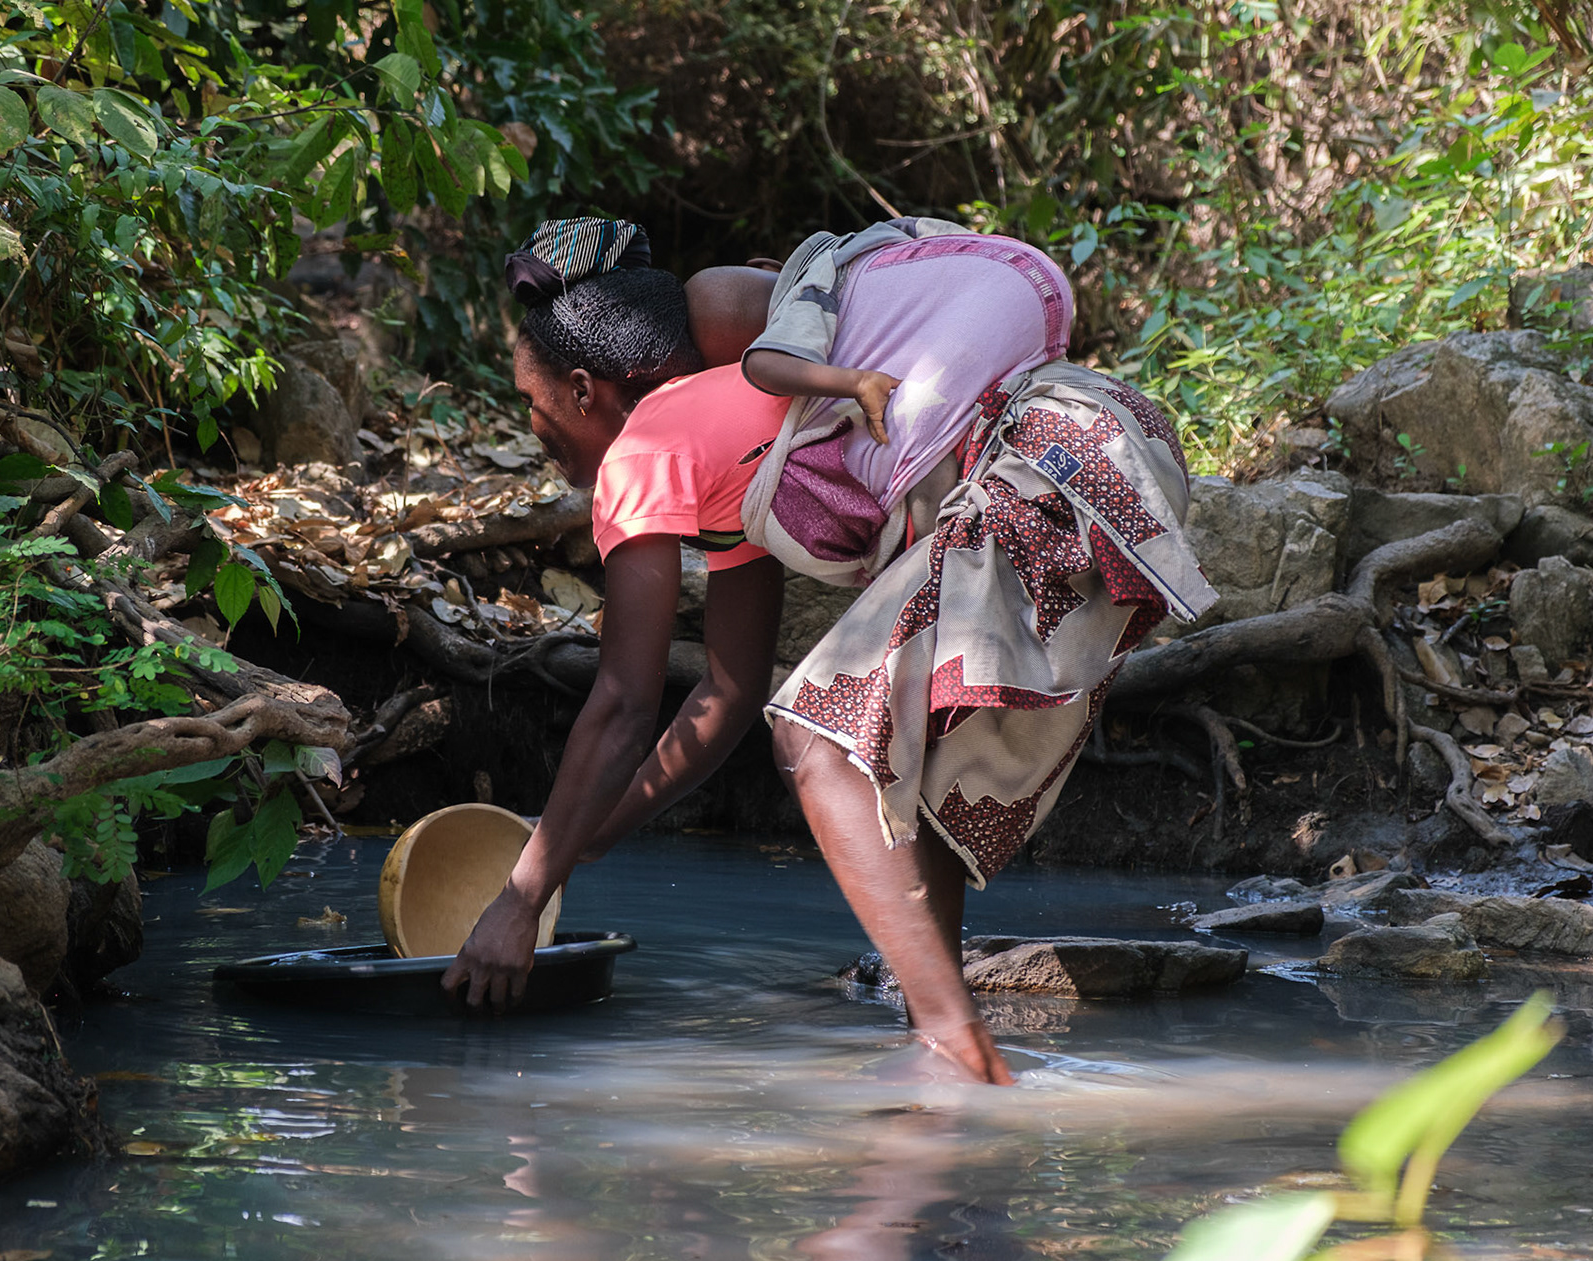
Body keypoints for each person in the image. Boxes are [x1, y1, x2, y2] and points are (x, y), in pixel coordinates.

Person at [441, 217, 1216, 1084]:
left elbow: (624, 699)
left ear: (585, 391)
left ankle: (952, 1047)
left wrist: (519, 900)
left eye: (532, 404)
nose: (534, 428)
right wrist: (584, 841)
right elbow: (723, 697)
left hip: (1034, 470)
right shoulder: (746, 429)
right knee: (901, 773)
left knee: (817, 742)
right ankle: (949, 1066)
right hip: (1105, 450)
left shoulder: (647, 446)